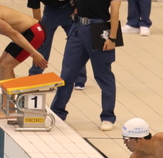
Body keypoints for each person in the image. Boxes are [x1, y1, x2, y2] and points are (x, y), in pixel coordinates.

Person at [50, 0, 120, 131]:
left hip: (99, 28)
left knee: (103, 76)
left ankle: (108, 116)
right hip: (78, 27)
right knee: (67, 74)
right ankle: (57, 112)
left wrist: (112, 38)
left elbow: (115, 12)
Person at [27, 0, 87, 90]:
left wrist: (79, 8)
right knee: (43, 43)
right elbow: (35, 7)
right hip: (50, 12)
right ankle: (35, 75)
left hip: (70, 9)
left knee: (77, 45)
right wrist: (39, 26)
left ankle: (79, 78)